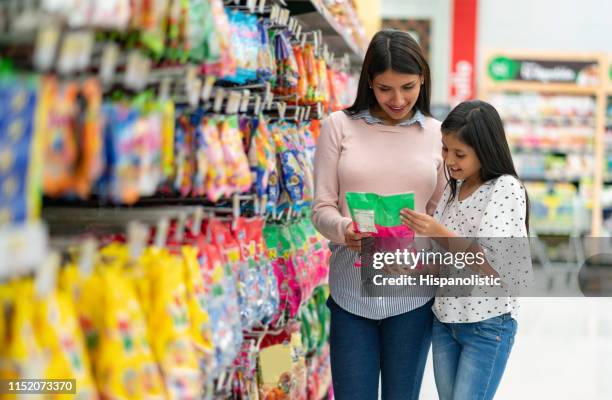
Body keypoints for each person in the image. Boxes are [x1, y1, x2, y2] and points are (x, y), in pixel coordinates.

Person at [312, 29, 446, 400]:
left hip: (413, 295)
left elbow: (437, 213)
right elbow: (321, 208)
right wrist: (344, 230)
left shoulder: (437, 134)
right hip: (350, 293)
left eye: (408, 87)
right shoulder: (338, 127)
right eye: (385, 88)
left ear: (423, 80)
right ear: (369, 81)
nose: (398, 99)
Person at [401, 100, 533, 400]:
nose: (449, 160)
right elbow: (447, 260)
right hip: (445, 321)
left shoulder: (505, 188)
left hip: (486, 324)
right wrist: (412, 266)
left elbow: (495, 263)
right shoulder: (453, 188)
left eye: (459, 153)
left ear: (485, 150)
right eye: (445, 150)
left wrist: (437, 231)